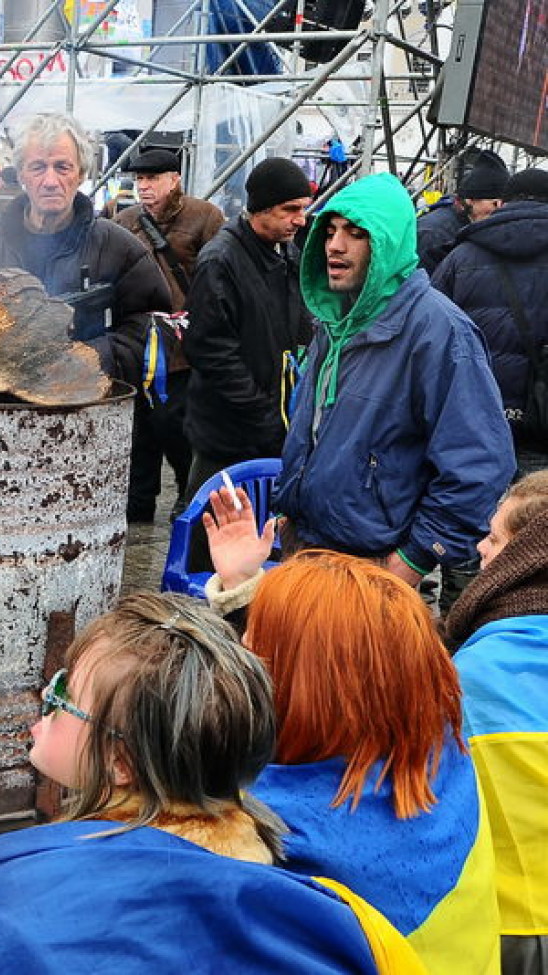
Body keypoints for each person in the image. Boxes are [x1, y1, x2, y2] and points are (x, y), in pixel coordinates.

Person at [0, 593, 421, 974]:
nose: (43, 705)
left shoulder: (11, 902)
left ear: (122, 764)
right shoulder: (276, 875)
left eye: (62, 698)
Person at [202, 507, 501, 973]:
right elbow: (354, 652)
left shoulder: (273, 841)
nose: (239, 655)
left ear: (304, 689)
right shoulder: (438, 743)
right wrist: (248, 589)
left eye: (253, 647)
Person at [275, 172, 515, 589]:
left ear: (388, 244)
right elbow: (313, 427)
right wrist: (290, 507)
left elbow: (478, 464)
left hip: (372, 565)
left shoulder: (440, 331)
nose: (334, 244)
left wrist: (414, 558)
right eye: (330, 231)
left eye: (355, 233)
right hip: (307, 548)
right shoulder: (336, 319)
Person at [0, 112, 171, 383]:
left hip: (89, 409)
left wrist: (89, 358)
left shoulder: (119, 249)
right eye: (37, 167)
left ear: (80, 174)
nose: (50, 181)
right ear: (21, 173)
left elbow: (154, 326)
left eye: (62, 167)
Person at [445, 472, 548, 973]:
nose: (481, 549)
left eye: (495, 538)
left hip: (505, 922)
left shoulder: (471, 675)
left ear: (525, 561)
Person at [182, 157, 314, 503]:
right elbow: (214, 355)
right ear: (261, 209)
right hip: (228, 434)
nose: (300, 220)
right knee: (213, 533)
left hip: (272, 424)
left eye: (303, 209)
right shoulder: (221, 261)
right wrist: (267, 418)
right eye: (290, 209)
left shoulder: (285, 252)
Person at [115, 147, 225, 523]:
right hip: (137, 341)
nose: (144, 187)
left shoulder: (205, 216)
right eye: (139, 180)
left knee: (177, 425)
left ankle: (186, 491)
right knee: (139, 428)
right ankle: (138, 502)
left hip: (182, 345)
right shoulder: (124, 219)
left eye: (153, 179)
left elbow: (219, 277)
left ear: (174, 179)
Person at [432, 168, 548, 476]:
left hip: (472, 420)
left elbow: (430, 334)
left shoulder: (461, 257)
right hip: (543, 427)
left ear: (503, 204)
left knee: (479, 516)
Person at [416, 149, 508, 273]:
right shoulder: (434, 235)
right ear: (470, 200)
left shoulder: (467, 226)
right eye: (495, 203)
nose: (500, 211)